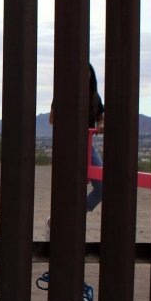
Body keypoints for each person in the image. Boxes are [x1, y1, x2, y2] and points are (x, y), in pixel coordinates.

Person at [48, 63, 105, 213]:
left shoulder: (94, 96)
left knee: (102, 186)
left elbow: (101, 118)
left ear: (91, 75)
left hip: (87, 145)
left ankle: (76, 214)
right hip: (68, 144)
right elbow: (52, 119)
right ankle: (61, 219)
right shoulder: (63, 91)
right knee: (69, 187)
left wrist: (101, 124)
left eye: (86, 73)